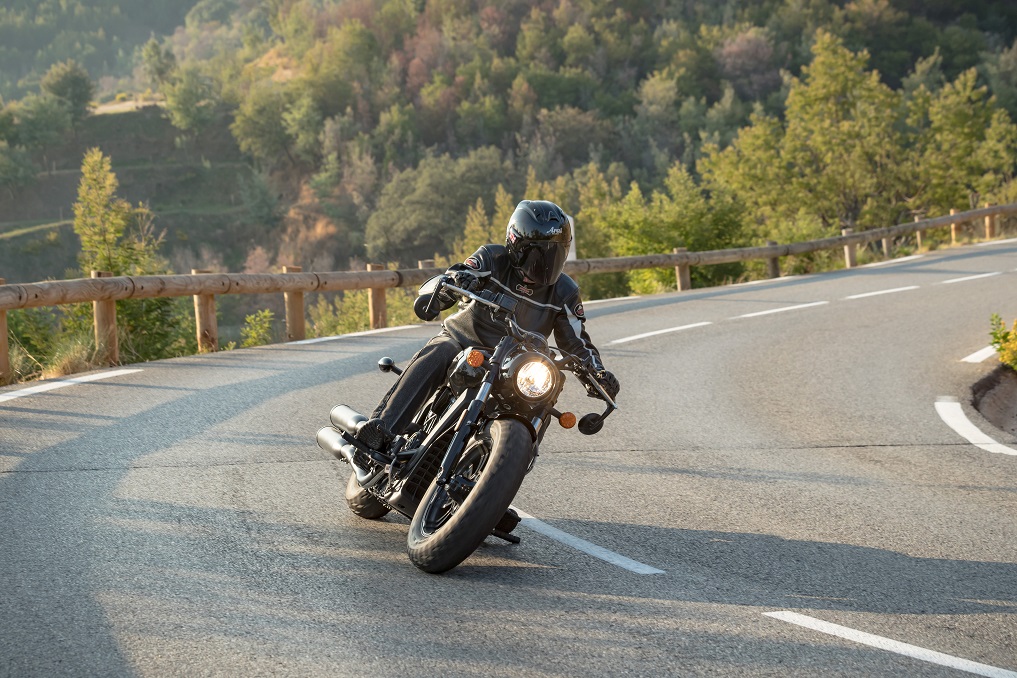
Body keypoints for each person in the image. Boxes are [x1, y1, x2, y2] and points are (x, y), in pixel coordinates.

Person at [355, 199, 620, 452]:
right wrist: (458, 282)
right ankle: (381, 429)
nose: (545, 264)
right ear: (517, 245)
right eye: (538, 254)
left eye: (554, 253)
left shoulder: (565, 290)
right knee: (440, 351)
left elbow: (576, 341)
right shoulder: (492, 258)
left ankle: (518, 457)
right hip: (466, 341)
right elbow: (460, 274)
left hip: (516, 362)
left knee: (550, 383)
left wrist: (597, 374)